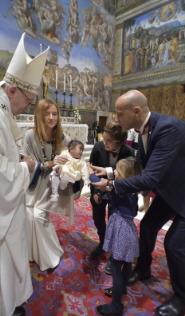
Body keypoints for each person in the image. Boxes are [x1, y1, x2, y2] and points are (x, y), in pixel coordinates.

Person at [0, 33, 49, 316]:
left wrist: (12, 159)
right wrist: (24, 167)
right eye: (29, 99)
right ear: (13, 89)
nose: (29, 107)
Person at [91, 90, 185, 316]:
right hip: (173, 190)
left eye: (119, 113)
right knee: (149, 225)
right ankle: (143, 269)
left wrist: (110, 185)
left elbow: (149, 177)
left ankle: (182, 298)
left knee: (173, 244)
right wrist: (110, 171)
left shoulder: (168, 128)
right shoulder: (145, 129)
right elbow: (138, 164)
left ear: (136, 111)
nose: (115, 118)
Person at [23, 98, 76, 273]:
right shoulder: (31, 135)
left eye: (54, 114)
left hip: (50, 184)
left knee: (38, 217)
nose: (51, 118)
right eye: (47, 114)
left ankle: (52, 255)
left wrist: (66, 163)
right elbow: (27, 161)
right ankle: (34, 254)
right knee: (29, 216)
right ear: (39, 115)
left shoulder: (61, 136)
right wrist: (48, 163)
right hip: (33, 181)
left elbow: (74, 153)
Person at [89, 157, 142, 316]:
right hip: (129, 229)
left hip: (120, 229)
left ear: (125, 176)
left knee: (114, 266)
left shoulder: (117, 188)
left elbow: (95, 181)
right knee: (126, 263)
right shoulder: (133, 190)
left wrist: (89, 171)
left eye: (118, 170)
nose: (114, 172)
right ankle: (122, 289)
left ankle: (116, 305)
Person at [89, 121, 135, 275]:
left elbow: (128, 176)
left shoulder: (128, 152)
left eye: (109, 141)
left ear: (120, 142)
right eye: (104, 139)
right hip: (99, 189)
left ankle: (114, 254)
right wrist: (95, 192)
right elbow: (93, 171)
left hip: (118, 193)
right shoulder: (97, 147)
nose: (104, 143)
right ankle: (102, 242)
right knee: (97, 218)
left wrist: (109, 179)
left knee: (116, 223)